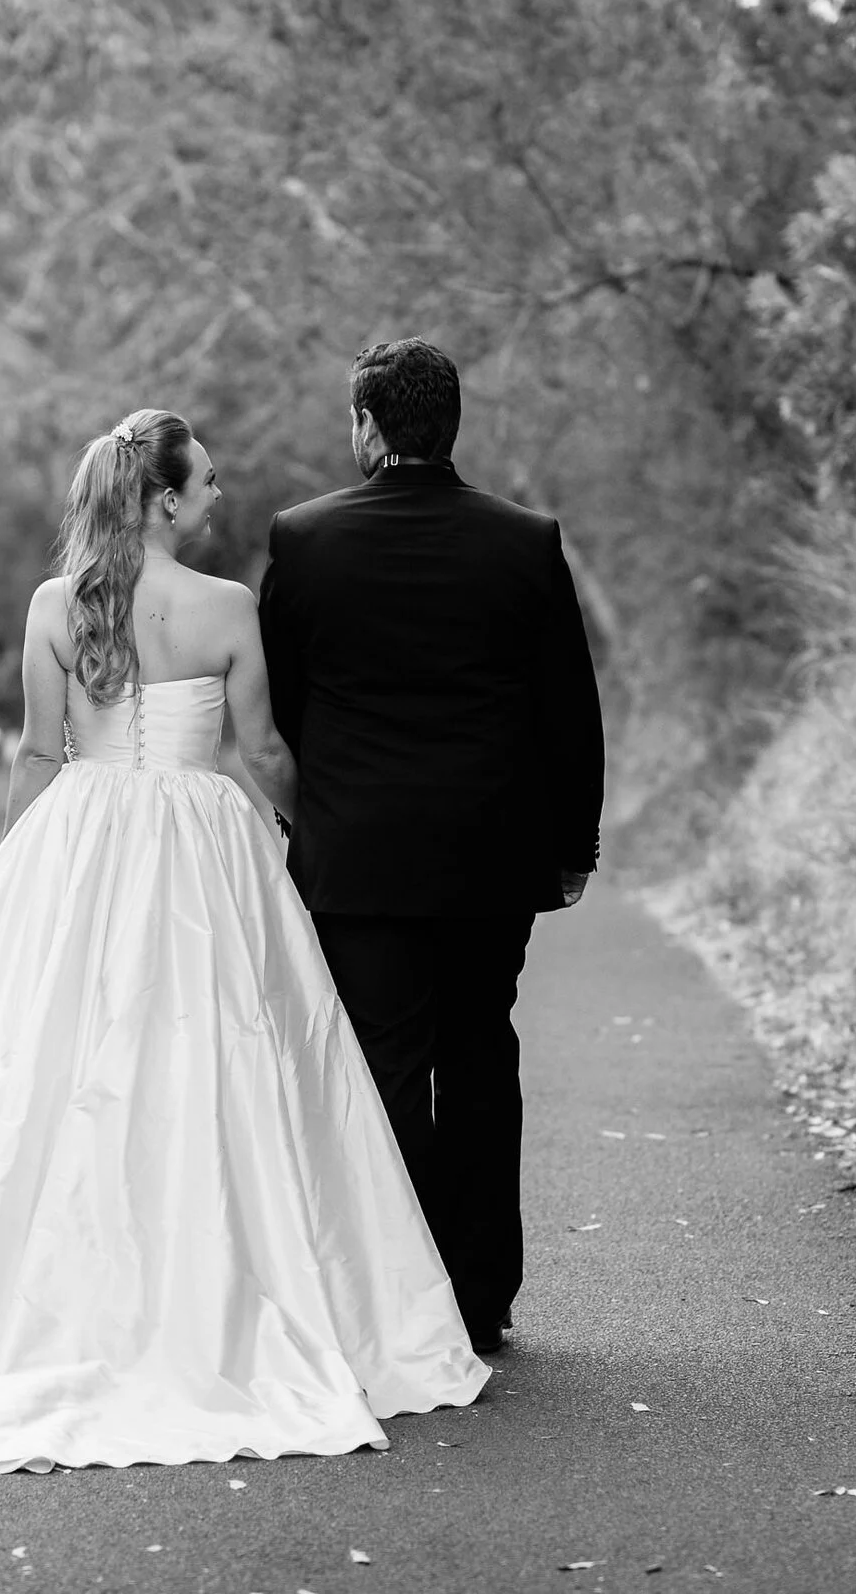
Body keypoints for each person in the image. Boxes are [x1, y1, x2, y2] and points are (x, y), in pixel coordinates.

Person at [0, 409, 488, 1473]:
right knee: (219, 1052)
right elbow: (267, 749)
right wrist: (294, 824)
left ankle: (72, 1296)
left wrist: (6, 883)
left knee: (71, 1060)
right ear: (162, 497)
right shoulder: (228, 607)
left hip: (82, 844)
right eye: (204, 483)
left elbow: (36, 753)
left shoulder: (57, 605)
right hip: (205, 846)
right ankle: (225, 1293)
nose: (217, 496)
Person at [259, 339, 605, 1356]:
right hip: (490, 854)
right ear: (449, 424)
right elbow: (567, 710)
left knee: (382, 1072)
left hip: (357, 858)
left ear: (367, 425)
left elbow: (279, 704)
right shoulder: (525, 540)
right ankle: (481, 1298)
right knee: (481, 1059)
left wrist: (297, 818)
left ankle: (392, 1301)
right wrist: (572, 843)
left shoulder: (304, 540)